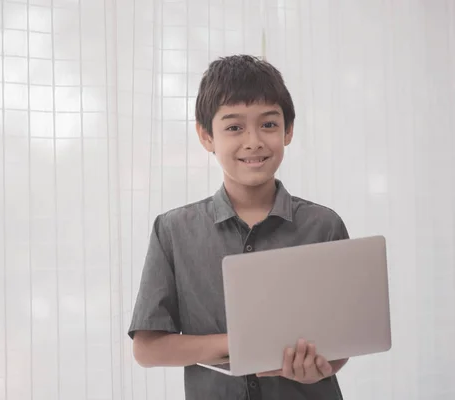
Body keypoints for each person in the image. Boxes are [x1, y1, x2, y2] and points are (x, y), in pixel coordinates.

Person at [128, 54, 350, 400]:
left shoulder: (324, 226)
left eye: (269, 125)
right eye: (234, 127)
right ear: (206, 136)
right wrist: (242, 346)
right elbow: (148, 349)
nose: (253, 141)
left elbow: (341, 343)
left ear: (288, 131)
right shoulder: (173, 231)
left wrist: (315, 369)